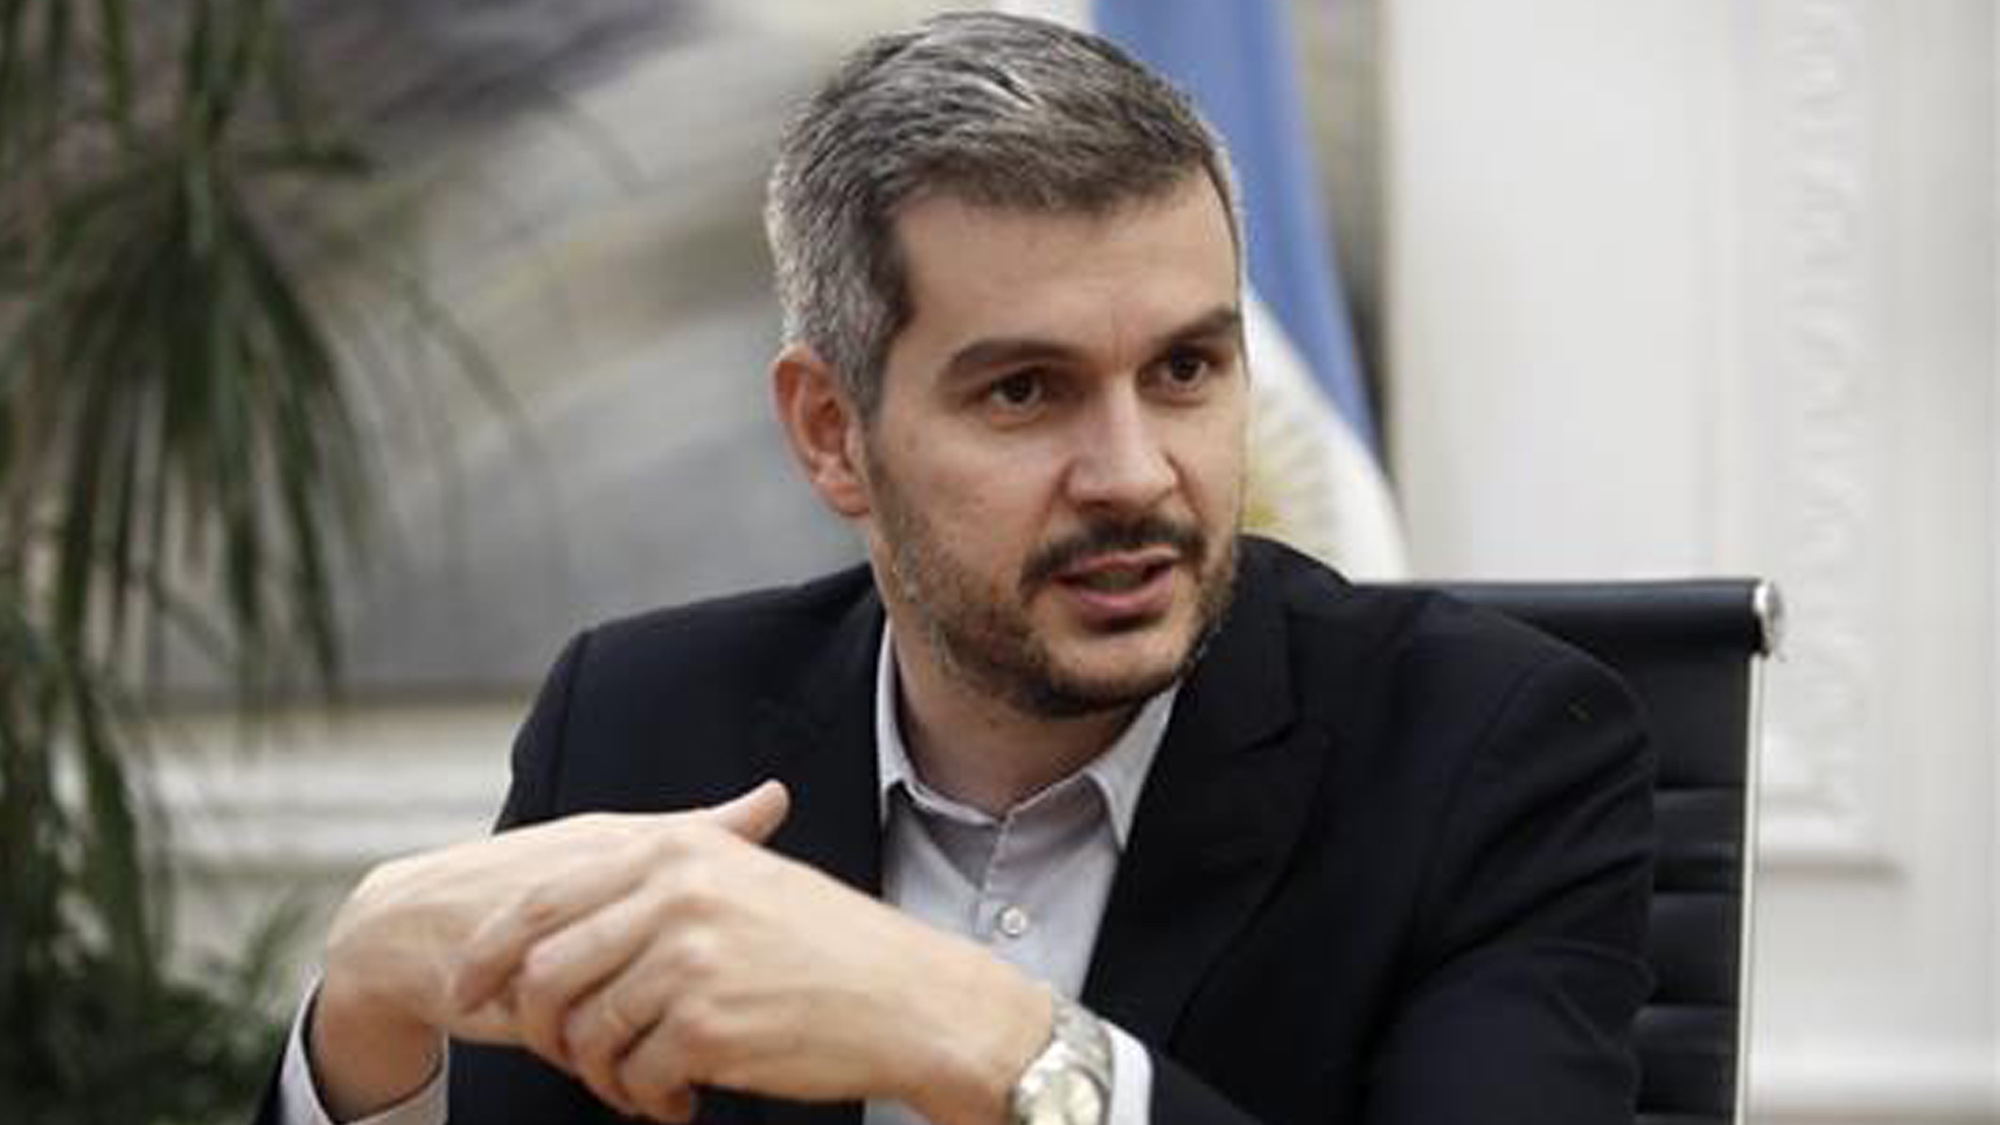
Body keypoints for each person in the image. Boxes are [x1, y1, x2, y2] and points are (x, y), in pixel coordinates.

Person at [263, 12, 1655, 1125]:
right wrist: (364, 1030)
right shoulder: (638, 723)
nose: (1134, 474)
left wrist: (983, 1035)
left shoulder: (1489, 755)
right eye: (1025, 392)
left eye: (1184, 369)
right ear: (832, 431)